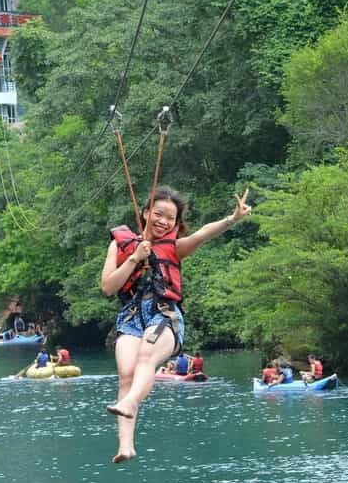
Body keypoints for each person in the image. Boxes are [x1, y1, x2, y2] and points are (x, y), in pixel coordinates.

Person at [101, 185, 251, 464]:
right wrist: (135, 257)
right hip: (132, 317)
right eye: (158, 214)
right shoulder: (120, 245)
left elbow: (204, 233)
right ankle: (126, 446)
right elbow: (109, 287)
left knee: (147, 357)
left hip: (164, 315)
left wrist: (233, 219)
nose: (163, 221)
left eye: (170, 218)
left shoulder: (175, 247)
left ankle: (132, 401)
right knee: (125, 374)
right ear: (145, 212)